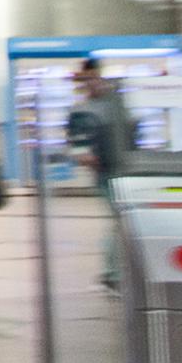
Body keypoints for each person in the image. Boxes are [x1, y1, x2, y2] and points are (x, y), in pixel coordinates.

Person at [67, 59, 132, 290]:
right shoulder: (80, 110)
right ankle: (112, 272)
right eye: (89, 78)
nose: (95, 82)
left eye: (97, 77)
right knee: (118, 220)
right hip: (105, 172)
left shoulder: (115, 103)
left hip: (125, 168)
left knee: (121, 220)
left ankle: (115, 271)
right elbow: (76, 145)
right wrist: (85, 156)